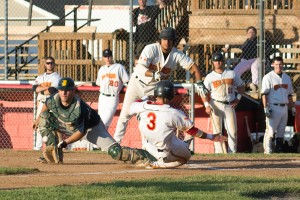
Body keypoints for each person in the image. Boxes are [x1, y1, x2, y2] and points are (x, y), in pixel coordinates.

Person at [114, 27, 208, 144]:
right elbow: (140, 67)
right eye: (164, 39)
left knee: (147, 116)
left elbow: (194, 68)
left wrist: (199, 82)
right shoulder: (151, 48)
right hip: (137, 84)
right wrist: (154, 74)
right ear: (160, 40)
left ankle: (147, 149)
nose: (167, 42)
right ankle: (115, 143)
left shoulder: (177, 54)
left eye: (169, 39)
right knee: (125, 114)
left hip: (152, 90)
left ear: (174, 41)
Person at [34, 77, 156, 165]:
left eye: (67, 90)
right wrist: (38, 118)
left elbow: (81, 132)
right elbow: (47, 105)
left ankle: (149, 157)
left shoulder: (80, 107)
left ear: (73, 91)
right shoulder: (55, 98)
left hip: (91, 129)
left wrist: (65, 143)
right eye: (61, 89)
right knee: (44, 119)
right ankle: (52, 154)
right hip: (69, 125)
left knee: (116, 153)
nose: (64, 92)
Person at [129, 80, 227, 169]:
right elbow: (193, 131)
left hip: (148, 147)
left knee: (168, 130)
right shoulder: (173, 112)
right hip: (165, 152)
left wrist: (146, 97)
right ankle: (158, 164)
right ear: (171, 95)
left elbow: (133, 105)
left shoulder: (143, 105)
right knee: (186, 156)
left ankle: (153, 155)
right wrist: (211, 137)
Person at [201, 52, 245, 153]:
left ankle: (232, 151)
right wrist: (207, 105)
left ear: (223, 62)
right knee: (217, 130)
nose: (218, 63)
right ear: (213, 63)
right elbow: (203, 93)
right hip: (215, 104)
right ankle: (219, 152)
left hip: (229, 103)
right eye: (216, 61)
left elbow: (241, 86)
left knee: (232, 131)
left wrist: (237, 99)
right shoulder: (209, 77)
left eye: (220, 61)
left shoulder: (231, 73)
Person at [261, 56, 296, 154]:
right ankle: (267, 151)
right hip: (273, 106)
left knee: (281, 131)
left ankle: (279, 150)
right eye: (276, 64)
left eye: (280, 64)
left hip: (284, 107)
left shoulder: (287, 78)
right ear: (273, 65)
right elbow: (264, 94)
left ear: (283, 64)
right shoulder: (268, 77)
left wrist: (292, 106)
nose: (278, 66)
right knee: (270, 131)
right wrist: (265, 108)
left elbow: (290, 94)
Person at [224, 26, 272, 92]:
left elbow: (269, 47)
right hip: (246, 61)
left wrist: (264, 54)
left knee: (254, 66)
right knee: (235, 71)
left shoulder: (260, 40)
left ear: (255, 33)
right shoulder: (246, 42)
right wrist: (229, 46)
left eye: (252, 32)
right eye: (249, 32)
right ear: (247, 34)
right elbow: (239, 46)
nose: (251, 33)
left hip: (257, 59)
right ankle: (234, 86)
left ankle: (256, 85)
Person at [32, 56, 61, 150]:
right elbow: (34, 88)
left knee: (53, 125)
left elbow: (52, 90)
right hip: (41, 102)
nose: (50, 65)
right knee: (39, 125)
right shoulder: (41, 77)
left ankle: (56, 146)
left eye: (51, 63)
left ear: (54, 64)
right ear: (45, 65)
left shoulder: (57, 77)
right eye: (48, 63)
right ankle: (37, 147)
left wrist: (41, 89)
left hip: (52, 103)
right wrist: (45, 88)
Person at [96, 49, 129, 129]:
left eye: (109, 56)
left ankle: (105, 140)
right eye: (105, 57)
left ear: (112, 57)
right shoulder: (101, 69)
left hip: (112, 98)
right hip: (102, 97)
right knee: (100, 122)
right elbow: (98, 83)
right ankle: (104, 140)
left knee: (104, 122)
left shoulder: (119, 67)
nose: (107, 59)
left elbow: (127, 81)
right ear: (103, 58)